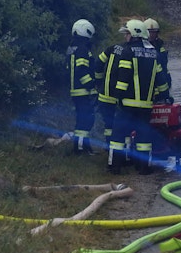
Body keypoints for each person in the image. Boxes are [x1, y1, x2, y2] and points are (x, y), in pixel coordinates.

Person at [108, 19, 170, 175]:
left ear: (134, 33)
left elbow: (123, 78)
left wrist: (117, 97)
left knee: (118, 136)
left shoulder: (127, 52)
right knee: (144, 137)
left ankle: (115, 166)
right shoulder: (153, 53)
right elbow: (161, 80)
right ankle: (144, 167)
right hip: (146, 106)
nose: (125, 37)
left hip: (127, 104)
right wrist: (165, 96)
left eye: (127, 33)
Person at [96, 22, 131, 148]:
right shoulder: (129, 52)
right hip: (119, 96)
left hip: (104, 95)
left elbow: (98, 63)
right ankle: (125, 153)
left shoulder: (112, 48)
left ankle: (108, 149)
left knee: (109, 125)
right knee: (123, 125)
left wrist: (98, 81)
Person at [66, 19, 97, 154]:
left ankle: (83, 146)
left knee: (82, 119)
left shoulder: (72, 48)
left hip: (75, 90)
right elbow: (81, 70)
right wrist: (91, 85)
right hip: (82, 91)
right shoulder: (83, 49)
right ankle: (80, 148)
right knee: (87, 120)